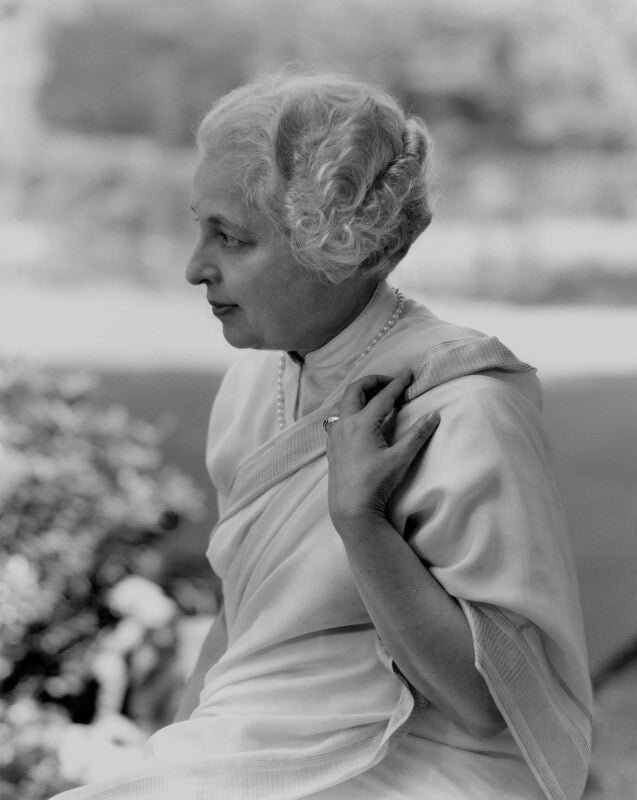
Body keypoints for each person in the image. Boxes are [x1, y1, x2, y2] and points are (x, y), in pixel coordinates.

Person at [51, 71, 592, 800]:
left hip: (420, 764)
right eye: (199, 226)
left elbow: (486, 703)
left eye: (231, 237)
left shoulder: (465, 409)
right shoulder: (254, 383)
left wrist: (361, 523)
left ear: (332, 243)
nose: (193, 267)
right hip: (262, 739)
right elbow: (243, 624)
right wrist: (169, 759)